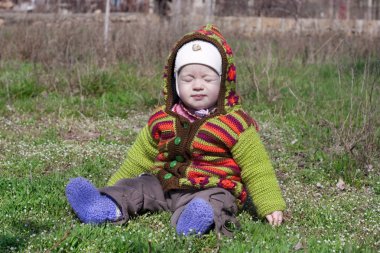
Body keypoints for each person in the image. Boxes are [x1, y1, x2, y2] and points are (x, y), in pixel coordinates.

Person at [65, 24, 286, 237]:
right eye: (188, 78)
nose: (198, 85)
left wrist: (270, 203)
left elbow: (257, 167)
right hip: (163, 185)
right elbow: (139, 157)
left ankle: (193, 222)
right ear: (175, 83)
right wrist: (115, 184)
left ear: (222, 83)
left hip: (210, 186)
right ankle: (104, 207)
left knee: (218, 201)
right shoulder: (162, 118)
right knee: (136, 186)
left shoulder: (234, 124)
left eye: (207, 79)